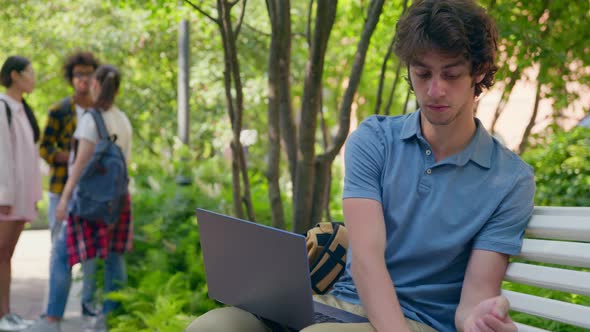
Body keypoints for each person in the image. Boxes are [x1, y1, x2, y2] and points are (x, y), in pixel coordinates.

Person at [186, 1, 535, 332]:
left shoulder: (509, 181)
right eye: (422, 73)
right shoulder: (375, 140)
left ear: (480, 72)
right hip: (333, 304)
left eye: (452, 74)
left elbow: (474, 297)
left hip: (417, 321)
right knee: (213, 326)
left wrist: (479, 319)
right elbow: (367, 260)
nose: (434, 90)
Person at [27, 65, 132, 332]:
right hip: (118, 200)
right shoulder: (122, 119)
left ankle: (52, 319)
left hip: (88, 201)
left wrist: (64, 199)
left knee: (62, 255)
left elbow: (80, 166)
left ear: (95, 85)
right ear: (117, 89)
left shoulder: (90, 119)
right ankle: (112, 319)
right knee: (114, 258)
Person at [35, 52, 101, 331]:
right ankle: (53, 316)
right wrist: (67, 156)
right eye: (78, 75)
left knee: (92, 255)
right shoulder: (59, 110)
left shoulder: (102, 110)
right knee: (59, 251)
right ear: (71, 78)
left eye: (87, 74)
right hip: (61, 188)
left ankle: (89, 310)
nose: (82, 79)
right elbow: (44, 148)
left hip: (93, 194)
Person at [0, 56, 42, 331]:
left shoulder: (22, 109)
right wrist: (4, 197)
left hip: (21, 198)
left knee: (5, 256)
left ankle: (7, 313)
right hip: (6, 200)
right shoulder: (2, 107)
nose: (33, 78)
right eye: (30, 72)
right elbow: (2, 156)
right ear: (15, 75)